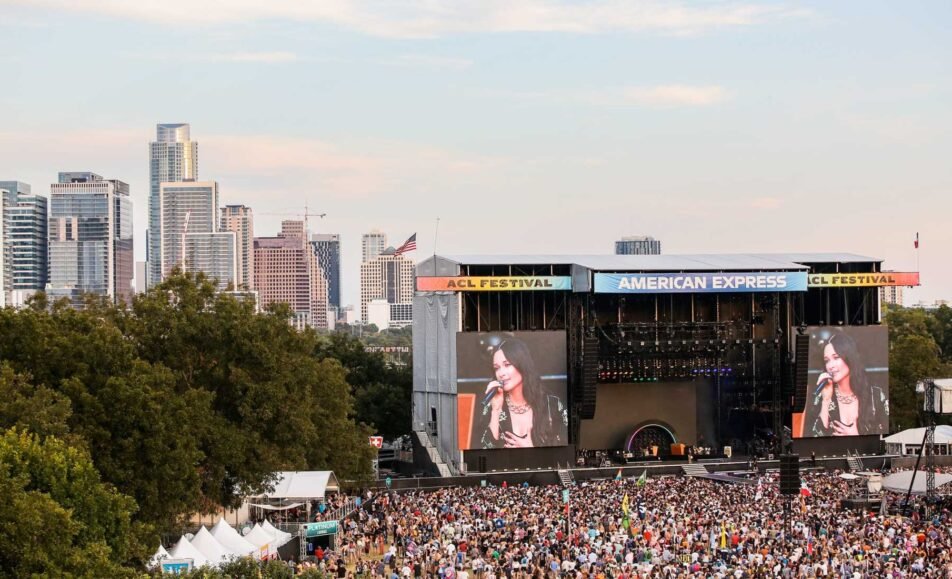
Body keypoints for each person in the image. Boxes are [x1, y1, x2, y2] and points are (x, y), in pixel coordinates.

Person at [477, 337, 568, 448]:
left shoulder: (552, 404)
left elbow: (566, 451)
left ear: (522, 364)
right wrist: (495, 410)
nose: (501, 373)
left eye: (507, 365)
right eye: (497, 368)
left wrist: (531, 450)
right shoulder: (491, 405)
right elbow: (483, 450)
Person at [803, 331, 888, 437]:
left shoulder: (876, 395)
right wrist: (826, 400)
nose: (830, 366)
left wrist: (857, 436)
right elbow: (813, 437)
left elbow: (888, 437)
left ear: (849, 358)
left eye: (836, 357)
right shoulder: (820, 396)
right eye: (827, 361)